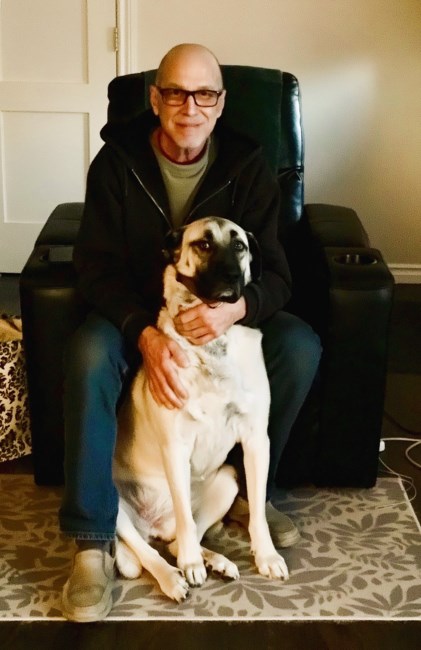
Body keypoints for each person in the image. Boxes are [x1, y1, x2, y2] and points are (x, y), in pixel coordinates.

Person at [59, 43, 321, 622]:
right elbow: (94, 267)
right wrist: (144, 332)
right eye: (176, 93)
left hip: (222, 311)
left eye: (204, 94)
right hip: (134, 312)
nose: (190, 107)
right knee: (87, 353)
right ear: (156, 99)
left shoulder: (248, 166)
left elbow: (278, 272)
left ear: (221, 103)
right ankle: (92, 539)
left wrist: (236, 310)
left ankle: (247, 495)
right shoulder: (117, 163)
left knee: (300, 346)